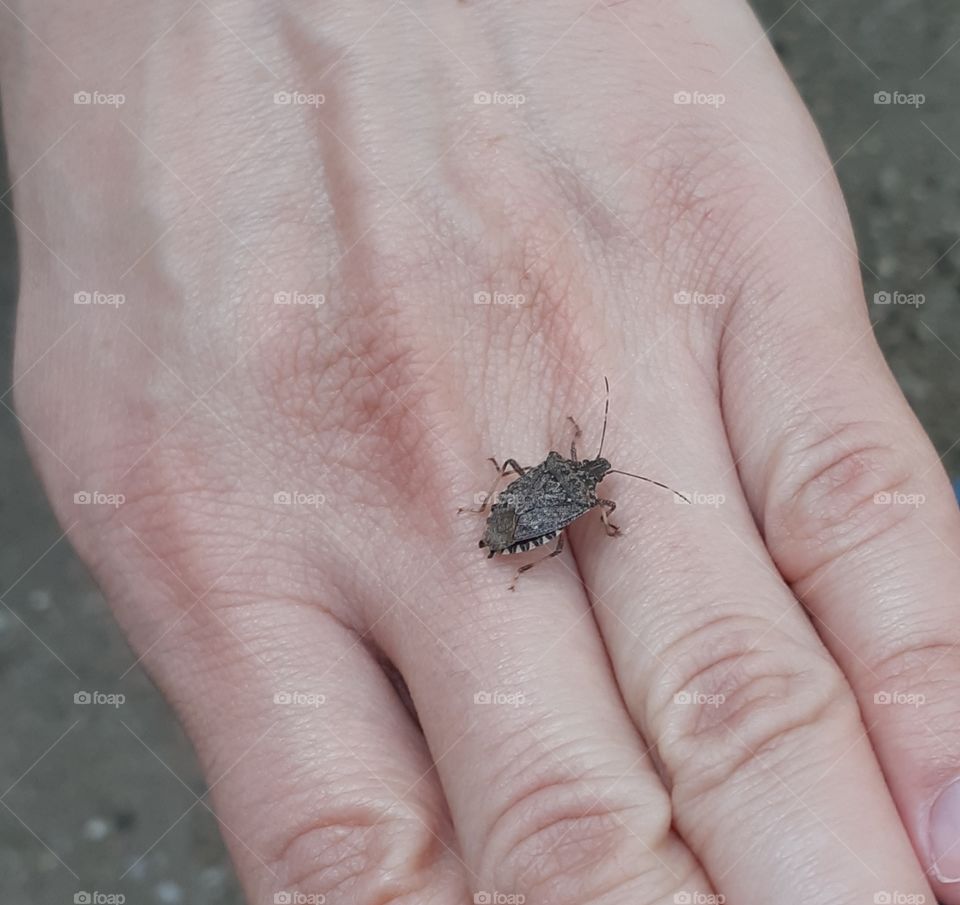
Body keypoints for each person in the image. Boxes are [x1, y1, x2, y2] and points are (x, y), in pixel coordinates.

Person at [5, 2, 958, 902]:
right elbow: (561, 497)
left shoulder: (573, 496)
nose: (592, 484)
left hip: (520, 514)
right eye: (590, 477)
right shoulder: (571, 493)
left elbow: (564, 500)